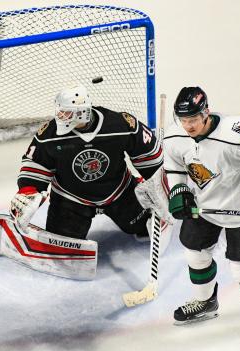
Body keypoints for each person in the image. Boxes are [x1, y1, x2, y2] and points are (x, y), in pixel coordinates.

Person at [135, 87, 240, 338]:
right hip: (203, 207)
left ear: (205, 113)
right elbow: (174, 166)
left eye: (193, 119)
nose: (188, 126)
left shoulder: (234, 133)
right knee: (195, 256)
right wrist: (179, 190)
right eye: (183, 120)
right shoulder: (174, 137)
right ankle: (205, 303)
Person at [9, 84, 164, 240]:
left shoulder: (120, 124)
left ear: (82, 112)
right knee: (62, 242)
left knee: (142, 225)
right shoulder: (49, 134)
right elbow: (35, 165)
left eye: (67, 112)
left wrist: (158, 185)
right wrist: (28, 190)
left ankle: (139, 210)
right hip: (70, 197)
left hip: (119, 191)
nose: (61, 116)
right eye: (61, 111)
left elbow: (150, 157)